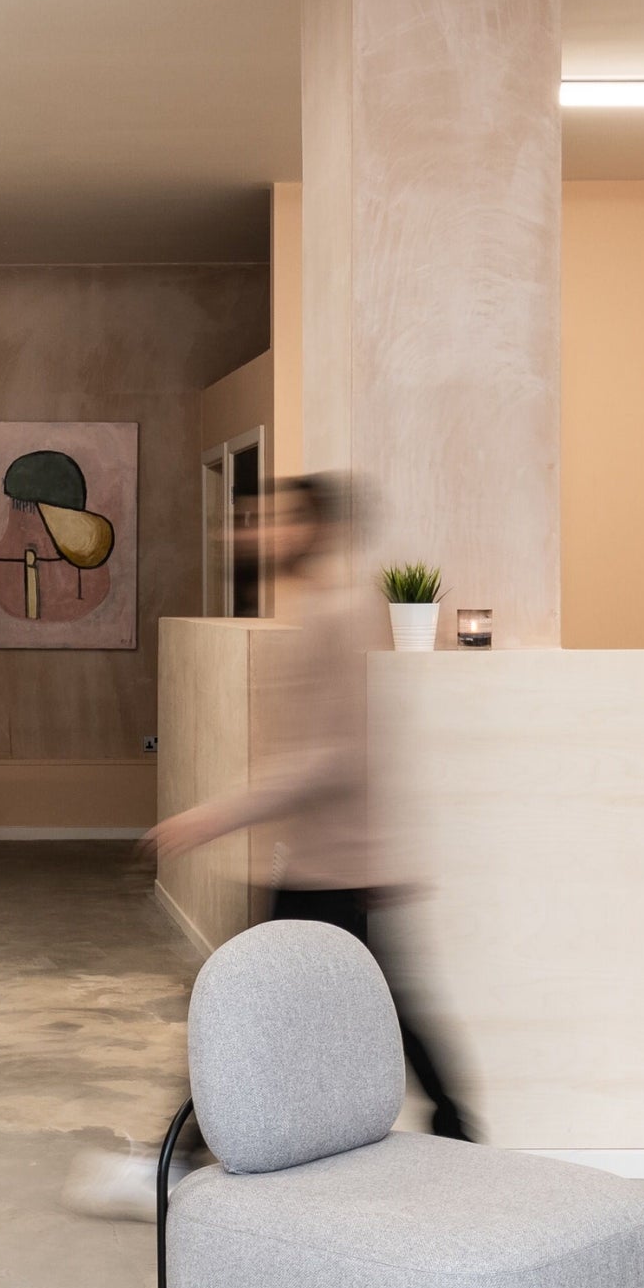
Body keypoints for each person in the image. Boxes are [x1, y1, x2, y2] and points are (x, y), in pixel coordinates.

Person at [147, 474, 476, 1143]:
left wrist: (215, 814)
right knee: (365, 1008)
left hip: (338, 867)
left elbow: (331, 758)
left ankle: (183, 1148)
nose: (259, 531)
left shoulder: (337, 613)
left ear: (313, 529)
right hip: (326, 861)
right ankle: (461, 1135)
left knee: (261, 1004)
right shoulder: (323, 609)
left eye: (274, 519)